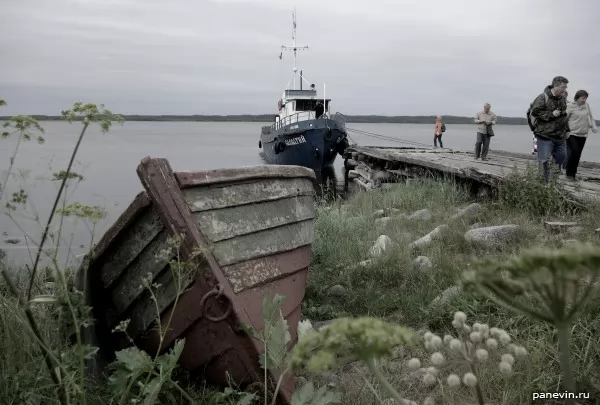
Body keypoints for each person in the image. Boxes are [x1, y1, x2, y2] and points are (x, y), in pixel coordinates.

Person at [529, 76, 570, 181]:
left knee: (562, 156)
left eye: (565, 87)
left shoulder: (562, 99)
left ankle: (553, 181)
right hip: (545, 135)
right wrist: (551, 114)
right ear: (555, 86)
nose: (565, 89)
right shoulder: (543, 97)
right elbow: (535, 112)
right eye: (563, 87)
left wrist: (567, 130)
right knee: (543, 160)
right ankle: (543, 184)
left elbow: (563, 116)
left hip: (560, 135)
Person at [565, 90, 597, 181]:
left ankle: (573, 174)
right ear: (577, 97)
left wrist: (594, 126)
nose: (584, 100)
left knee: (578, 154)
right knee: (574, 151)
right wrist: (565, 132)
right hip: (572, 133)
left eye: (586, 98)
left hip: (583, 134)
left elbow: (591, 117)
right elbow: (564, 120)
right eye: (583, 98)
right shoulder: (570, 106)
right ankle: (569, 174)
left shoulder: (586, 106)